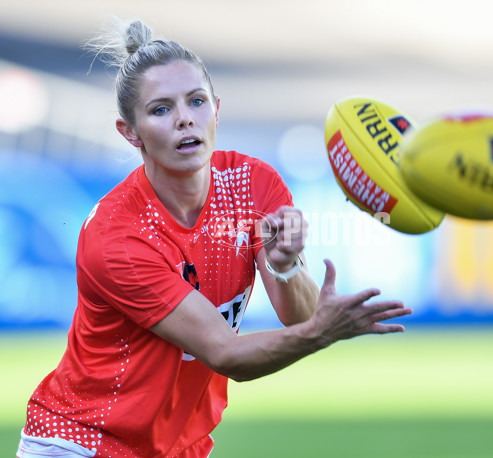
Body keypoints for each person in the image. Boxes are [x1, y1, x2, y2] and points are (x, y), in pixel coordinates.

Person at [16, 18, 412, 458]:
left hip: (181, 447)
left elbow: (297, 317)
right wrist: (323, 332)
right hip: (84, 441)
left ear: (217, 108)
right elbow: (226, 354)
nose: (185, 118)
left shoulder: (253, 182)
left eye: (196, 101)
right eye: (161, 109)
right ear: (130, 132)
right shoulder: (118, 236)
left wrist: (285, 267)